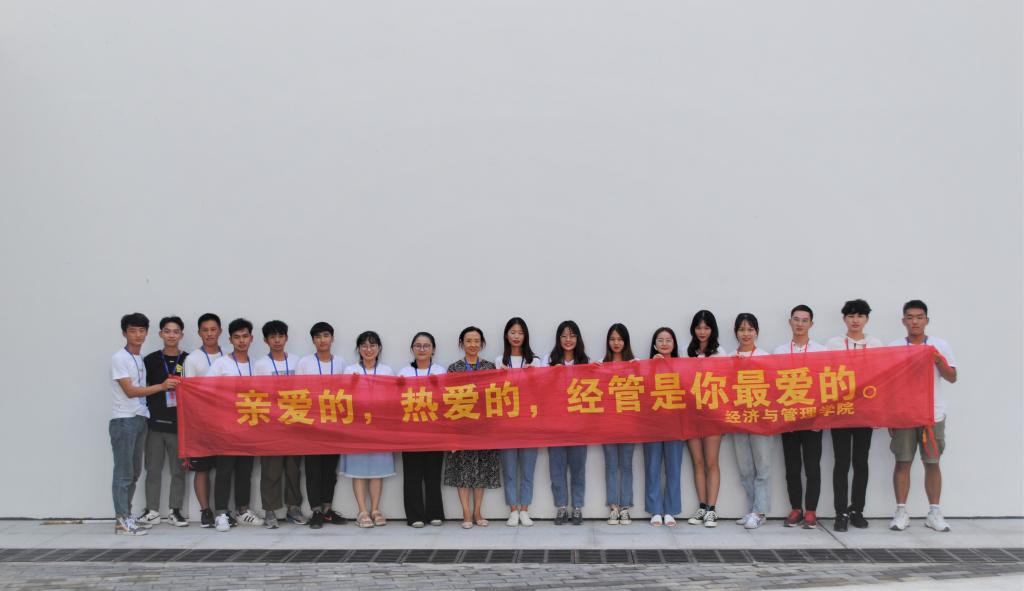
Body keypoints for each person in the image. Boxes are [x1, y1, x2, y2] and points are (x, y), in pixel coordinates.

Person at [887, 300, 957, 532]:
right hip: (904, 414)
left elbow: (952, 377)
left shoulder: (940, 345)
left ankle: (934, 512)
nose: (914, 321)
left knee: (932, 463)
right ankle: (901, 512)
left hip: (932, 414)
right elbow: (888, 383)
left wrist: (937, 359)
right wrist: (890, 415)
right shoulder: (894, 347)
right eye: (910, 317)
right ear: (903, 321)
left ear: (927, 320)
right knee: (903, 462)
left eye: (919, 317)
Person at [109, 313, 179, 535]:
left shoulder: (138, 358)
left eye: (141, 331)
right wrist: (162, 386)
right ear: (124, 333)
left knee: (134, 472)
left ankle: (127, 516)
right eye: (133, 331)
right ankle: (121, 520)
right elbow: (130, 391)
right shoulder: (119, 358)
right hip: (124, 420)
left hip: (140, 418)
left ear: (147, 333)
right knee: (123, 473)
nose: (138, 335)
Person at [825, 299, 884, 532]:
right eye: (851, 316)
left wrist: (879, 411)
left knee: (861, 462)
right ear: (844, 319)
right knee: (841, 462)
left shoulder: (876, 344)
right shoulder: (833, 344)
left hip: (865, 411)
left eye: (860, 316)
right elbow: (824, 375)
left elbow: (883, 378)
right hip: (840, 411)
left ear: (867, 319)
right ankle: (840, 512)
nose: (855, 320)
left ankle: (857, 510)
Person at [206, 318, 264, 531]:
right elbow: (207, 392)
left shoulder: (257, 365)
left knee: (245, 471)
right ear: (230, 339)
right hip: (226, 426)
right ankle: (221, 513)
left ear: (251, 338)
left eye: (245, 336)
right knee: (224, 470)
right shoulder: (221, 364)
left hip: (250, 425)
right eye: (237, 337)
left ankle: (242, 510)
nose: (241, 341)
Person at [773, 305, 827, 530]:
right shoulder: (779, 351)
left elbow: (826, 384)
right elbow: (773, 384)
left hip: (813, 418)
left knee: (812, 466)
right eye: (796, 319)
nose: (800, 324)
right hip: (788, 417)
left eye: (805, 320)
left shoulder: (821, 351)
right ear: (790, 322)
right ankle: (796, 508)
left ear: (811, 324)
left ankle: (811, 510)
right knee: (792, 467)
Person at [443, 326, 501, 529]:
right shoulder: (454, 368)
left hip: (484, 428)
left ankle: (478, 511)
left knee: (481, 470)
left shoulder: (489, 367)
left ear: (482, 344)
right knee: (462, 470)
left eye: (476, 341)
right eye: (468, 341)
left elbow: (495, 397)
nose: (473, 344)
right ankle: (466, 512)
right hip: (461, 426)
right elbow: (447, 399)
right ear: (461, 344)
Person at [137, 316, 189, 528]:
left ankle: (175, 511)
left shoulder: (188, 360)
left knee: (178, 471)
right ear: (160, 334)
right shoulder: (149, 360)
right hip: (155, 424)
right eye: (167, 331)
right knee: (153, 469)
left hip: (180, 425)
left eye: (175, 331)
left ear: (181, 335)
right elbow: (140, 389)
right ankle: (152, 511)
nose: (171, 335)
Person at [252, 320, 305, 529]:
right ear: (265, 340)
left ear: (286, 338)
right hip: (270, 425)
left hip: (294, 422)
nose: (277, 340)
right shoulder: (260, 365)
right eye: (272, 337)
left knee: (293, 469)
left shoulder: (298, 361)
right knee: (271, 470)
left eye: (280, 336)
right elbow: (255, 394)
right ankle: (270, 511)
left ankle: (293, 508)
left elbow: (306, 390)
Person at [296, 321, 348, 529]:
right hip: (312, 424)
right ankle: (316, 510)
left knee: (329, 469)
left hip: (334, 423)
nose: (322, 340)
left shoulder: (341, 362)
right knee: (313, 469)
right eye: (317, 337)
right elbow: (298, 392)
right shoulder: (305, 362)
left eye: (326, 335)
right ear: (313, 341)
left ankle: (327, 509)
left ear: (332, 338)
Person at [342, 331, 395, 528]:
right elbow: (344, 397)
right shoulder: (350, 370)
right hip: (357, 427)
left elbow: (393, 397)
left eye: (372, 345)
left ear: (379, 348)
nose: (368, 349)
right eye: (364, 346)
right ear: (358, 349)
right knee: (358, 469)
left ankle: (375, 509)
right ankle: (362, 511)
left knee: (377, 470)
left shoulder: (387, 371)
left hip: (380, 427)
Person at [494, 317, 543, 527]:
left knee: (528, 470)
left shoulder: (535, 361)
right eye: (513, 332)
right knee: (510, 470)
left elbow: (541, 391)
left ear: (526, 336)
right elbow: (495, 392)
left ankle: (525, 509)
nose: (516, 336)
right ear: (507, 335)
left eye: (520, 333)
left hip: (529, 422)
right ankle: (513, 510)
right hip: (507, 423)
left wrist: (532, 377)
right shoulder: (500, 361)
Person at [397, 332, 448, 528]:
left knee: (433, 475)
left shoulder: (440, 371)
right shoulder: (403, 372)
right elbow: (396, 400)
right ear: (412, 349)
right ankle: (415, 515)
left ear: (433, 349)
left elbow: (446, 400)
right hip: (410, 431)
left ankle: (435, 513)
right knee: (412, 475)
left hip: (434, 431)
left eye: (426, 345)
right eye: (418, 345)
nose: (422, 349)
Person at [544, 320, 590, 526]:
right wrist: (550, 374)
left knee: (578, 470)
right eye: (564, 336)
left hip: (579, 426)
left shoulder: (585, 361)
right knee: (557, 470)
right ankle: (561, 507)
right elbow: (539, 388)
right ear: (558, 339)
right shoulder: (548, 360)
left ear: (577, 338)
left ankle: (577, 507)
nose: (568, 340)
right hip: (554, 425)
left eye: (572, 336)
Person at [731, 313, 774, 529]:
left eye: (750, 329)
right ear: (736, 333)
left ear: (756, 332)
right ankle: (752, 509)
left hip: (761, 420)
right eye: (742, 329)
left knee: (763, 466)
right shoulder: (728, 358)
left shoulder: (765, 357)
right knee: (745, 468)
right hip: (737, 419)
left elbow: (774, 388)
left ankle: (759, 511)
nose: (746, 334)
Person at [180, 313, 223, 528]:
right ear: (199, 333)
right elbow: (188, 393)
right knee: (202, 468)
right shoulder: (192, 359)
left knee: (225, 468)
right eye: (205, 330)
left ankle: (224, 511)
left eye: (213, 329)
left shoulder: (228, 356)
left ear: (220, 331)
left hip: (226, 421)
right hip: (201, 422)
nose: (209, 334)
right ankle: (206, 510)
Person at [684, 310, 725, 528]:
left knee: (711, 462)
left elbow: (728, 380)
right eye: (699, 327)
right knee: (697, 462)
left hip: (713, 415)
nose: (702, 331)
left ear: (712, 330)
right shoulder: (686, 351)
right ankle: (701, 506)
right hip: (691, 414)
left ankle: (712, 509)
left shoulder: (719, 353)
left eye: (706, 328)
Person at [644, 327, 684, 527]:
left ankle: (670, 510)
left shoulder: (682, 366)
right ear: (654, 344)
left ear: (674, 344)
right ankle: (655, 510)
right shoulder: (647, 366)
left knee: (673, 468)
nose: (664, 343)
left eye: (668, 340)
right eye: (660, 340)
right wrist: (652, 366)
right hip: (652, 424)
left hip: (675, 424)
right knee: (652, 467)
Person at [600, 323, 636, 526]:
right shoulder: (601, 364)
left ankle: (626, 507)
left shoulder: (634, 364)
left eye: (620, 339)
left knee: (627, 466)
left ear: (626, 341)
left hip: (629, 423)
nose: (616, 343)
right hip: (608, 424)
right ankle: (613, 507)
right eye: (612, 339)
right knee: (611, 466)